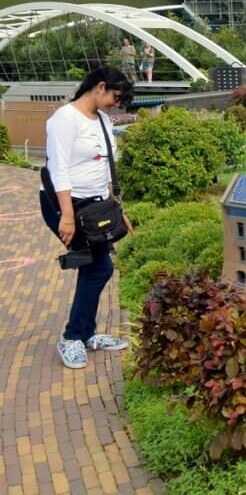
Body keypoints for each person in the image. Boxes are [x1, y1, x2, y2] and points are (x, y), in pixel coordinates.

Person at [40, 67, 135, 370]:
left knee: (94, 268)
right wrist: (66, 215)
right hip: (65, 203)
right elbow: (59, 169)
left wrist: (119, 210)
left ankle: (86, 334)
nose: (114, 105)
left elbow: (107, 171)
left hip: (95, 207)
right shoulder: (64, 120)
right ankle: (73, 337)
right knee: (99, 268)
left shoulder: (103, 121)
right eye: (114, 98)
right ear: (100, 86)